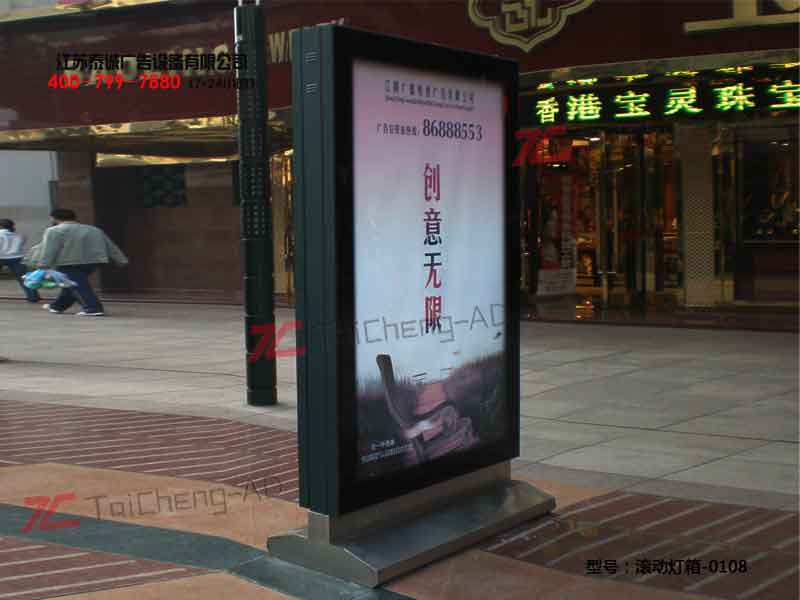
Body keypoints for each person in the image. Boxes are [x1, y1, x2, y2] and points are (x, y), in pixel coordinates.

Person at [35, 208, 128, 316]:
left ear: (54, 218)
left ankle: (93, 308)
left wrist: (44, 264)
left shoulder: (54, 231)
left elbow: (50, 249)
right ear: (74, 217)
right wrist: (121, 259)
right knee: (72, 283)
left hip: (69, 261)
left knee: (76, 285)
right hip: (94, 261)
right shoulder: (94, 229)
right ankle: (57, 306)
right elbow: (110, 245)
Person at [0, 219, 41, 303]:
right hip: (17, 258)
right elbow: (21, 244)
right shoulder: (20, 235)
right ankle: (33, 297)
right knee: (24, 279)